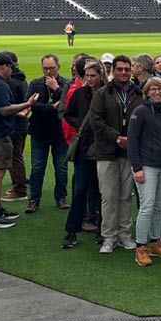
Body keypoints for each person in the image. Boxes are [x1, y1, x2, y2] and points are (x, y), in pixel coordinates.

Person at [0, 53, 37, 228]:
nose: (11, 70)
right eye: (10, 67)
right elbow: (4, 110)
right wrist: (27, 104)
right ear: (4, 67)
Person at [91, 55, 143, 253]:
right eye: (119, 69)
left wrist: (130, 139)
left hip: (130, 152)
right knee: (109, 196)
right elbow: (96, 121)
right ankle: (109, 237)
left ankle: (124, 235)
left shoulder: (138, 93)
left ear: (131, 71)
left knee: (125, 196)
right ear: (113, 70)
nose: (123, 72)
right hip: (106, 151)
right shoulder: (103, 93)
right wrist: (117, 138)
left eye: (126, 69)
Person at [128, 77, 161, 266]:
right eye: (153, 89)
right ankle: (140, 247)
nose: (157, 92)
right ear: (147, 92)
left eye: (160, 89)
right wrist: (137, 168)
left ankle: (155, 242)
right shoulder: (140, 112)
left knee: (159, 206)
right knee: (147, 206)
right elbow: (132, 141)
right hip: (146, 165)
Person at [61, 57, 103, 249]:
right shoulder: (79, 94)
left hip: (103, 149)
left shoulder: (107, 94)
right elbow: (67, 114)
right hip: (85, 149)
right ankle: (71, 231)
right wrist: (81, 126)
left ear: (101, 76)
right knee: (79, 191)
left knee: (102, 192)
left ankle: (102, 229)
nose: (90, 79)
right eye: (87, 76)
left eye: (93, 76)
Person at [25, 54, 69, 214]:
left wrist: (56, 89)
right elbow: (31, 105)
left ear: (58, 67)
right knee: (37, 168)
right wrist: (51, 108)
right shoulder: (35, 84)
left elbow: (68, 104)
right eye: (46, 68)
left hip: (60, 133)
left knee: (61, 167)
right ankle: (34, 199)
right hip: (39, 132)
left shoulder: (65, 84)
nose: (49, 71)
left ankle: (61, 197)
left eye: (52, 68)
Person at [2, 52, 30, 202]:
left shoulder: (12, 82)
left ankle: (19, 189)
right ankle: (19, 185)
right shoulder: (22, 79)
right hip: (22, 123)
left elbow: (9, 105)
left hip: (15, 123)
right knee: (17, 155)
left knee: (14, 157)